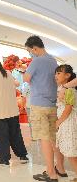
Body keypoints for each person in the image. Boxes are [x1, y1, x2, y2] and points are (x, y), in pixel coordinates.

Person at [23, 36, 65, 181]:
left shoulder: (36, 61)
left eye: (29, 51)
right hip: (53, 105)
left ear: (34, 48)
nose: (30, 53)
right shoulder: (53, 60)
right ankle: (60, 168)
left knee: (44, 139)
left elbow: (26, 79)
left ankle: (51, 174)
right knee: (54, 139)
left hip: (39, 104)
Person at [55, 65, 77, 182]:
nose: (56, 76)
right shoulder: (65, 89)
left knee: (71, 153)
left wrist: (58, 122)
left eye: (59, 73)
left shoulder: (68, 90)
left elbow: (68, 109)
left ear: (67, 75)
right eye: (56, 73)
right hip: (67, 123)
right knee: (71, 152)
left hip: (69, 124)